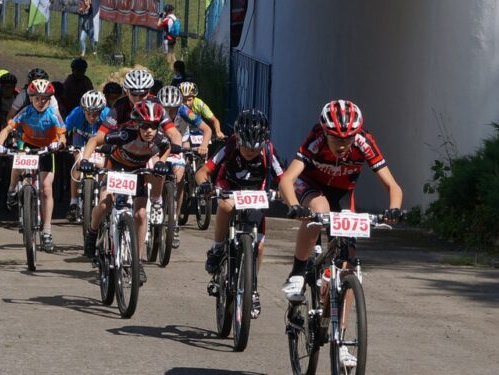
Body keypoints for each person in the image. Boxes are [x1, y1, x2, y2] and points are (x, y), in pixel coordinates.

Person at [279, 99, 403, 303]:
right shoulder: (316, 138)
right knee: (320, 209)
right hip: (311, 185)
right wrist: (295, 206)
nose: (343, 144)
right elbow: (287, 179)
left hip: (342, 192)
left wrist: (394, 210)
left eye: (348, 138)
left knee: (348, 266)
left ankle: (340, 332)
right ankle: (298, 272)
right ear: (325, 132)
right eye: (336, 138)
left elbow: (393, 186)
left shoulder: (364, 142)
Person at [197, 109, 283, 319]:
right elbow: (203, 172)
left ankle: (251, 287)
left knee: (260, 244)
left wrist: (284, 195)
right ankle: (217, 249)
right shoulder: (229, 146)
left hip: (255, 193)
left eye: (255, 150)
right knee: (225, 206)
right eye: (245, 148)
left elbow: (284, 178)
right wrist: (205, 186)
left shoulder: (269, 151)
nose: (249, 153)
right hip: (229, 186)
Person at [80, 101, 172, 283]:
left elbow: (167, 148)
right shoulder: (124, 134)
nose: (149, 131)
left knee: (141, 214)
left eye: (154, 126)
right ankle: (92, 233)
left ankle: (138, 262)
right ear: (137, 124)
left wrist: (161, 162)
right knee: (105, 204)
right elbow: (94, 140)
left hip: (138, 172)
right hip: (115, 167)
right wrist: (85, 159)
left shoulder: (160, 139)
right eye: (145, 126)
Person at [0, 79, 67, 252]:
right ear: (31, 98)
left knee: (46, 189)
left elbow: (63, 136)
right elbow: (6, 129)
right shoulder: (25, 112)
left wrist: (60, 144)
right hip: (28, 146)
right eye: (36, 98)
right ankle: (12, 190)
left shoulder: (53, 114)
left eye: (44, 99)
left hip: (47, 150)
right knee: (18, 157)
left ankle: (47, 232)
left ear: (50, 99)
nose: (40, 102)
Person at [156, 85, 211, 248]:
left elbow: (206, 129)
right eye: (166, 108)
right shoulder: (155, 110)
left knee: (179, 176)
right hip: (158, 145)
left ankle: (175, 219)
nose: (170, 112)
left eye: (173, 109)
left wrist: (204, 145)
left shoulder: (184, 111)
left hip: (179, 143)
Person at [64, 90, 108, 229]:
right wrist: (62, 141)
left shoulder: (108, 114)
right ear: (83, 110)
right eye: (88, 113)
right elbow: (63, 129)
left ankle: (103, 195)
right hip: (81, 138)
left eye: (96, 113)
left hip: (101, 141)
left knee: (103, 165)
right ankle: (74, 202)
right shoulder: (76, 113)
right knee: (78, 163)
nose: (92, 117)